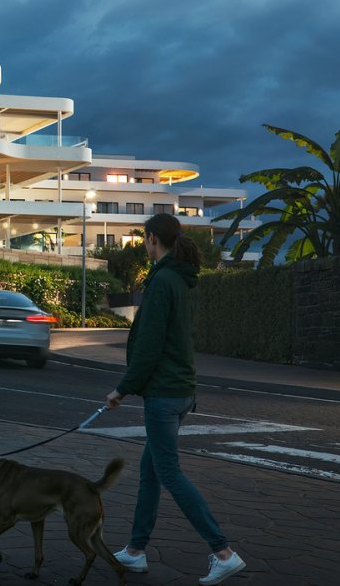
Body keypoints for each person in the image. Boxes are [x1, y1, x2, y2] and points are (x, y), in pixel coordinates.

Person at [104, 212, 246, 585]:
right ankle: (135, 551)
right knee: (150, 471)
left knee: (167, 471)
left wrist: (122, 389)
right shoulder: (181, 280)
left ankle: (223, 553)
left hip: (164, 393)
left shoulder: (163, 281)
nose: (144, 245)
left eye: (144, 239)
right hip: (181, 390)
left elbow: (149, 346)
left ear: (153, 238)